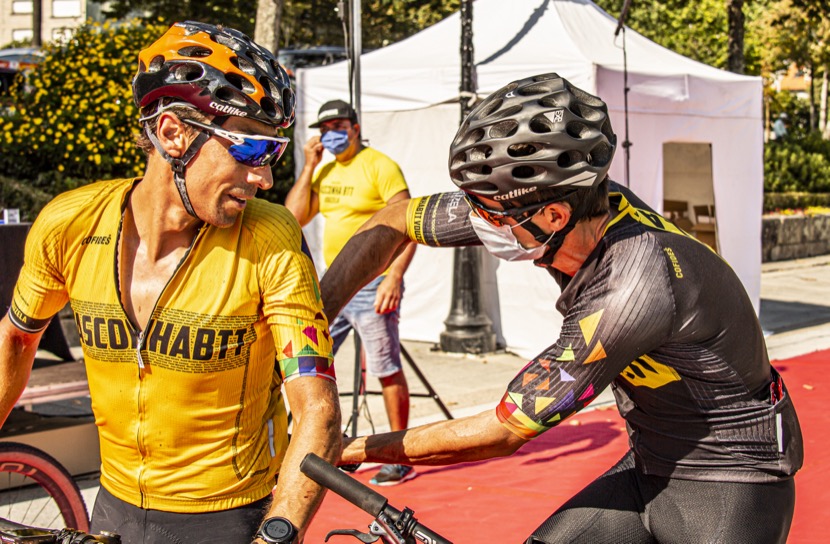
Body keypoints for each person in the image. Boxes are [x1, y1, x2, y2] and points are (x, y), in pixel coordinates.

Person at [322, 73, 803, 543]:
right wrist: (312, 322)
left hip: (734, 481)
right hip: (652, 460)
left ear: (553, 216)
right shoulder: (567, 209)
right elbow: (395, 221)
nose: (476, 220)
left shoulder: (631, 287)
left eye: (488, 212)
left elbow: (504, 430)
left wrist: (347, 449)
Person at [0, 21, 341, 544]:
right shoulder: (69, 223)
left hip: (229, 517)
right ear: (172, 133)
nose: (266, 177)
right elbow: (17, 340)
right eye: (251, 148)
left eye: (273, 153)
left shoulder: (270, 238)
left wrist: (279, 534)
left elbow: (317, 409)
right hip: (113, 509)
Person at [285, 100, 417, 486]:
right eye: (324, 128)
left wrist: (394, 277)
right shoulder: (324, 171)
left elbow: (409, 222)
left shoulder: (380, 166)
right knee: (310, 361)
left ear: (355, 128)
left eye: (338, 126)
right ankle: (314, 442)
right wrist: (308, 165)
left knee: (385, 366)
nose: (331, 133)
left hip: (374, 283)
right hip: (333, 283)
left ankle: (399, 456)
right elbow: (293, 217)